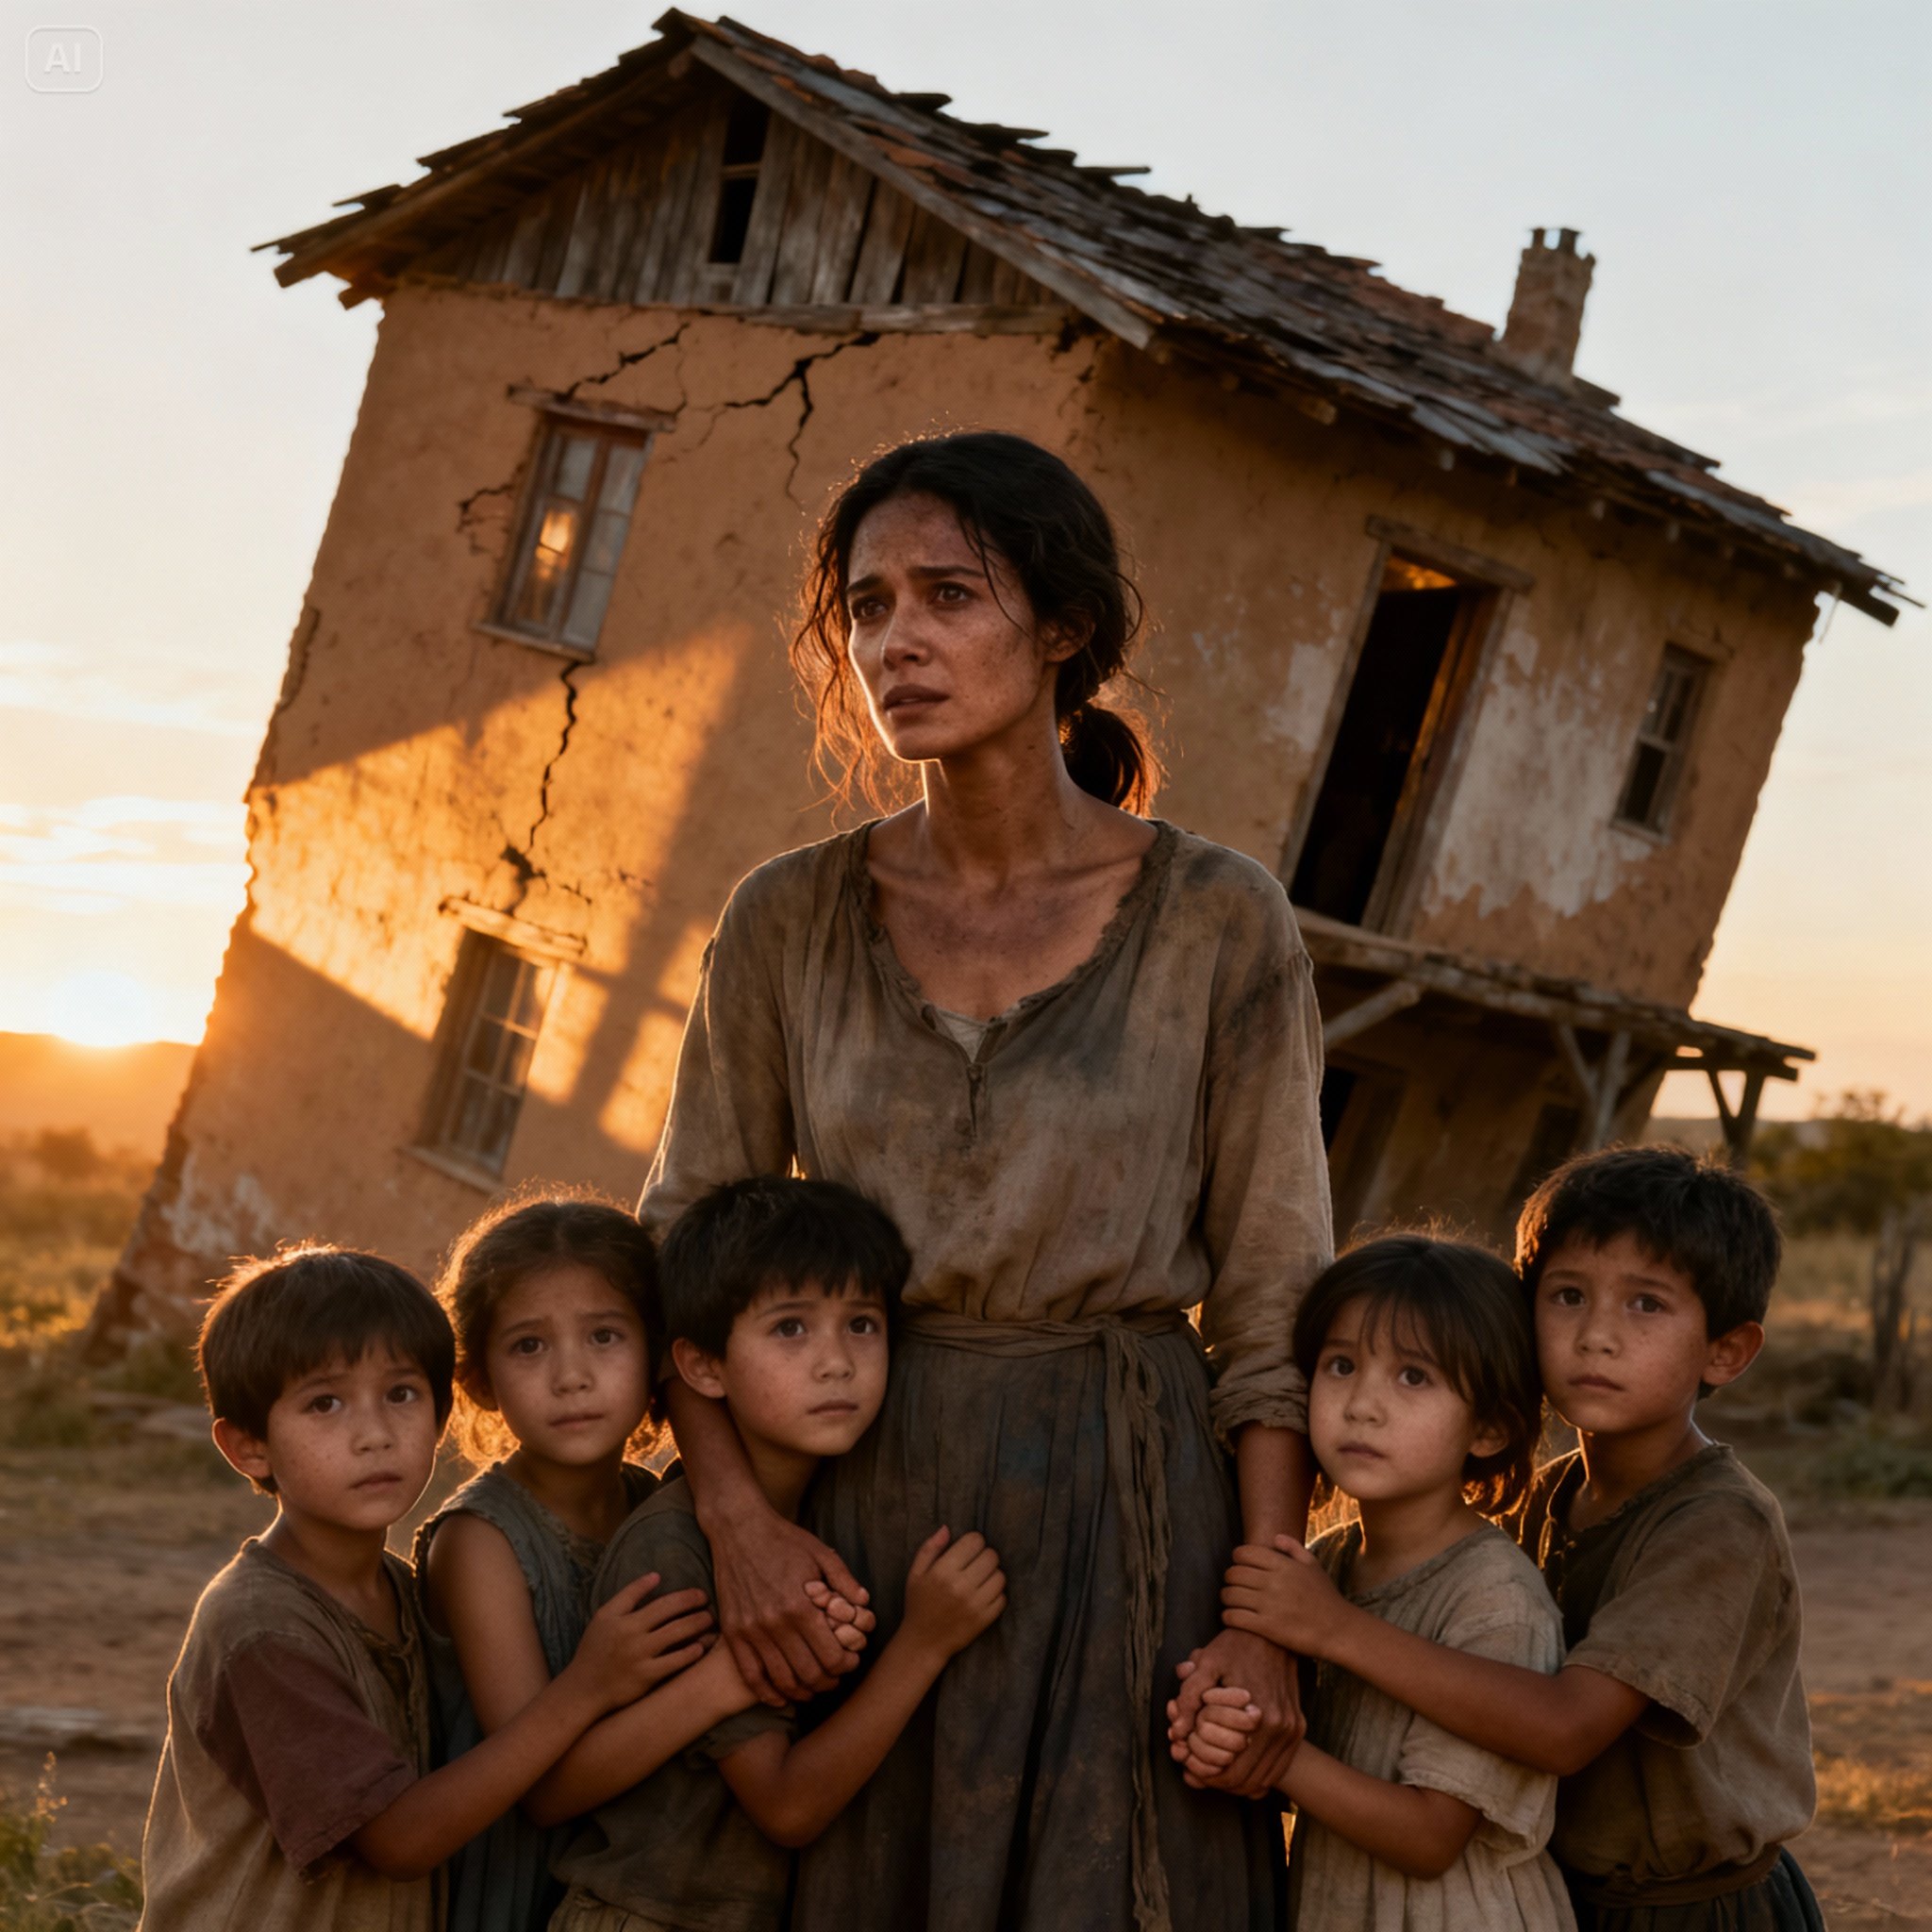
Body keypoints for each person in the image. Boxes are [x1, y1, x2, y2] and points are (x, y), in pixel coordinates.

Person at [640, 430, 1332, 1929]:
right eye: (871, 606)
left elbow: (1275, 1309)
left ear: (1065, 628)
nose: (899, 641)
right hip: (865, 1521)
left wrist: (1271, 1629)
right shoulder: (786, 920)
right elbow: (681, 1245)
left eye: (950, 595)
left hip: (1134, 1510)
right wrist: (744, 1532)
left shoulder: (1218, 919)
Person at [1201, 1146, 1823, 1932]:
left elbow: (1564, 1729)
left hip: (1695, 1909)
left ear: (1726, 1351)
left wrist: (1330, 1628)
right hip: (1565, 1889)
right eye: (1567, 1295)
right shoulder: (1552, 1494)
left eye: (1647, 1305)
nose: (1595, 1335)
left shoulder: (1717, 1523)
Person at [137, 1244, 685, 1932]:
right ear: (248, 1447)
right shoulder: (260, 1627)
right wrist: (588, 1687)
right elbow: (399, 1840)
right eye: (325, 1403)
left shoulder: (399, 1589)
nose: (374, 1435)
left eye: (400, 1395)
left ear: (440, 1417)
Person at [550, 1175, 1006, 1931]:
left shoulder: (835, 1514)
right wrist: (924, 1645)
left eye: (861, 1324)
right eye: (791, 1328)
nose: (837, 1362)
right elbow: (787, 1806)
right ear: (702, 1367)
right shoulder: (679, 1553)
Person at [1170, 1236, 1574, 1930]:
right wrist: (1219, 1726)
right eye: (1341, 1365)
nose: (1361, 1405)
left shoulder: (1495, 1599)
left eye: (1413, 1377)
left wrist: (1273, 1756)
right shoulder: (1322, 1567)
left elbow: (1428, 1838)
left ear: (1488, 1428)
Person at [414, 1192, 717, 1932]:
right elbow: (543, 1792)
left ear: (657, 1355)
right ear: (479, 1378)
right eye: (528, 1346)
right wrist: (717, 1679)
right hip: (516, 1893)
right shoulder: (479, 1541)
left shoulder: (655, 1509)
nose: (571, 1376)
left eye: (605, 1336)